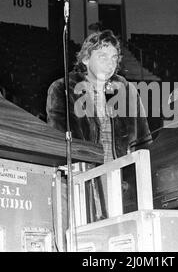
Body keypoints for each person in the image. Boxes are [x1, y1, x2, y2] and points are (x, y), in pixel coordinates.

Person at [46, 30, 152, 227]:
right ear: (86, 59)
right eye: (102, 56)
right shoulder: (63, 89)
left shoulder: (127, 90)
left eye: (114, 58)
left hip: (122, 183)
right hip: (81, 182)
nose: (110, 63)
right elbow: (58, 143)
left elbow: (143, 143)